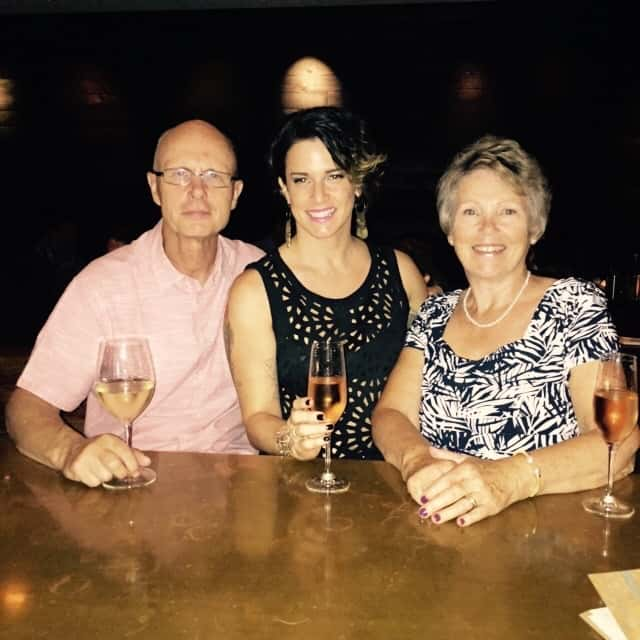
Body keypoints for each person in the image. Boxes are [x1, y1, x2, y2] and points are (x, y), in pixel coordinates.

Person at [372, 135, 640, 525]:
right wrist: (417, 460)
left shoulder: (575, 305)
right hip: (438, 531)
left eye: (508, 212)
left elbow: (618, 443)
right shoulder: (435, 314)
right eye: (470, 212)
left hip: (546, 539)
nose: (488, 229)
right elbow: (391, 413)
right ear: (450, 230)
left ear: (535, 227)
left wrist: (507, 479)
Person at [6, 119, 264, 487]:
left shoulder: (258, 273)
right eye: (178, 174)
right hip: (133, 485)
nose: (197, 190)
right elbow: (27, 407)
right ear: (154, 188)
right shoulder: (103, 286)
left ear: (235, 193)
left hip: (242, 492)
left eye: (213, 175)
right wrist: (70, 451)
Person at [225, 106, 428, 461]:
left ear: (358, 182)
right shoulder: (254, 290)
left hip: (395, 477)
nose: (318, 196)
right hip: (300, 491)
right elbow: (258, 418)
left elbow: (428, 384)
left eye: (334, 176)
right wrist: (289, 438)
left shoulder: (402, 273)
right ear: (284, 189)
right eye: (301, 179)